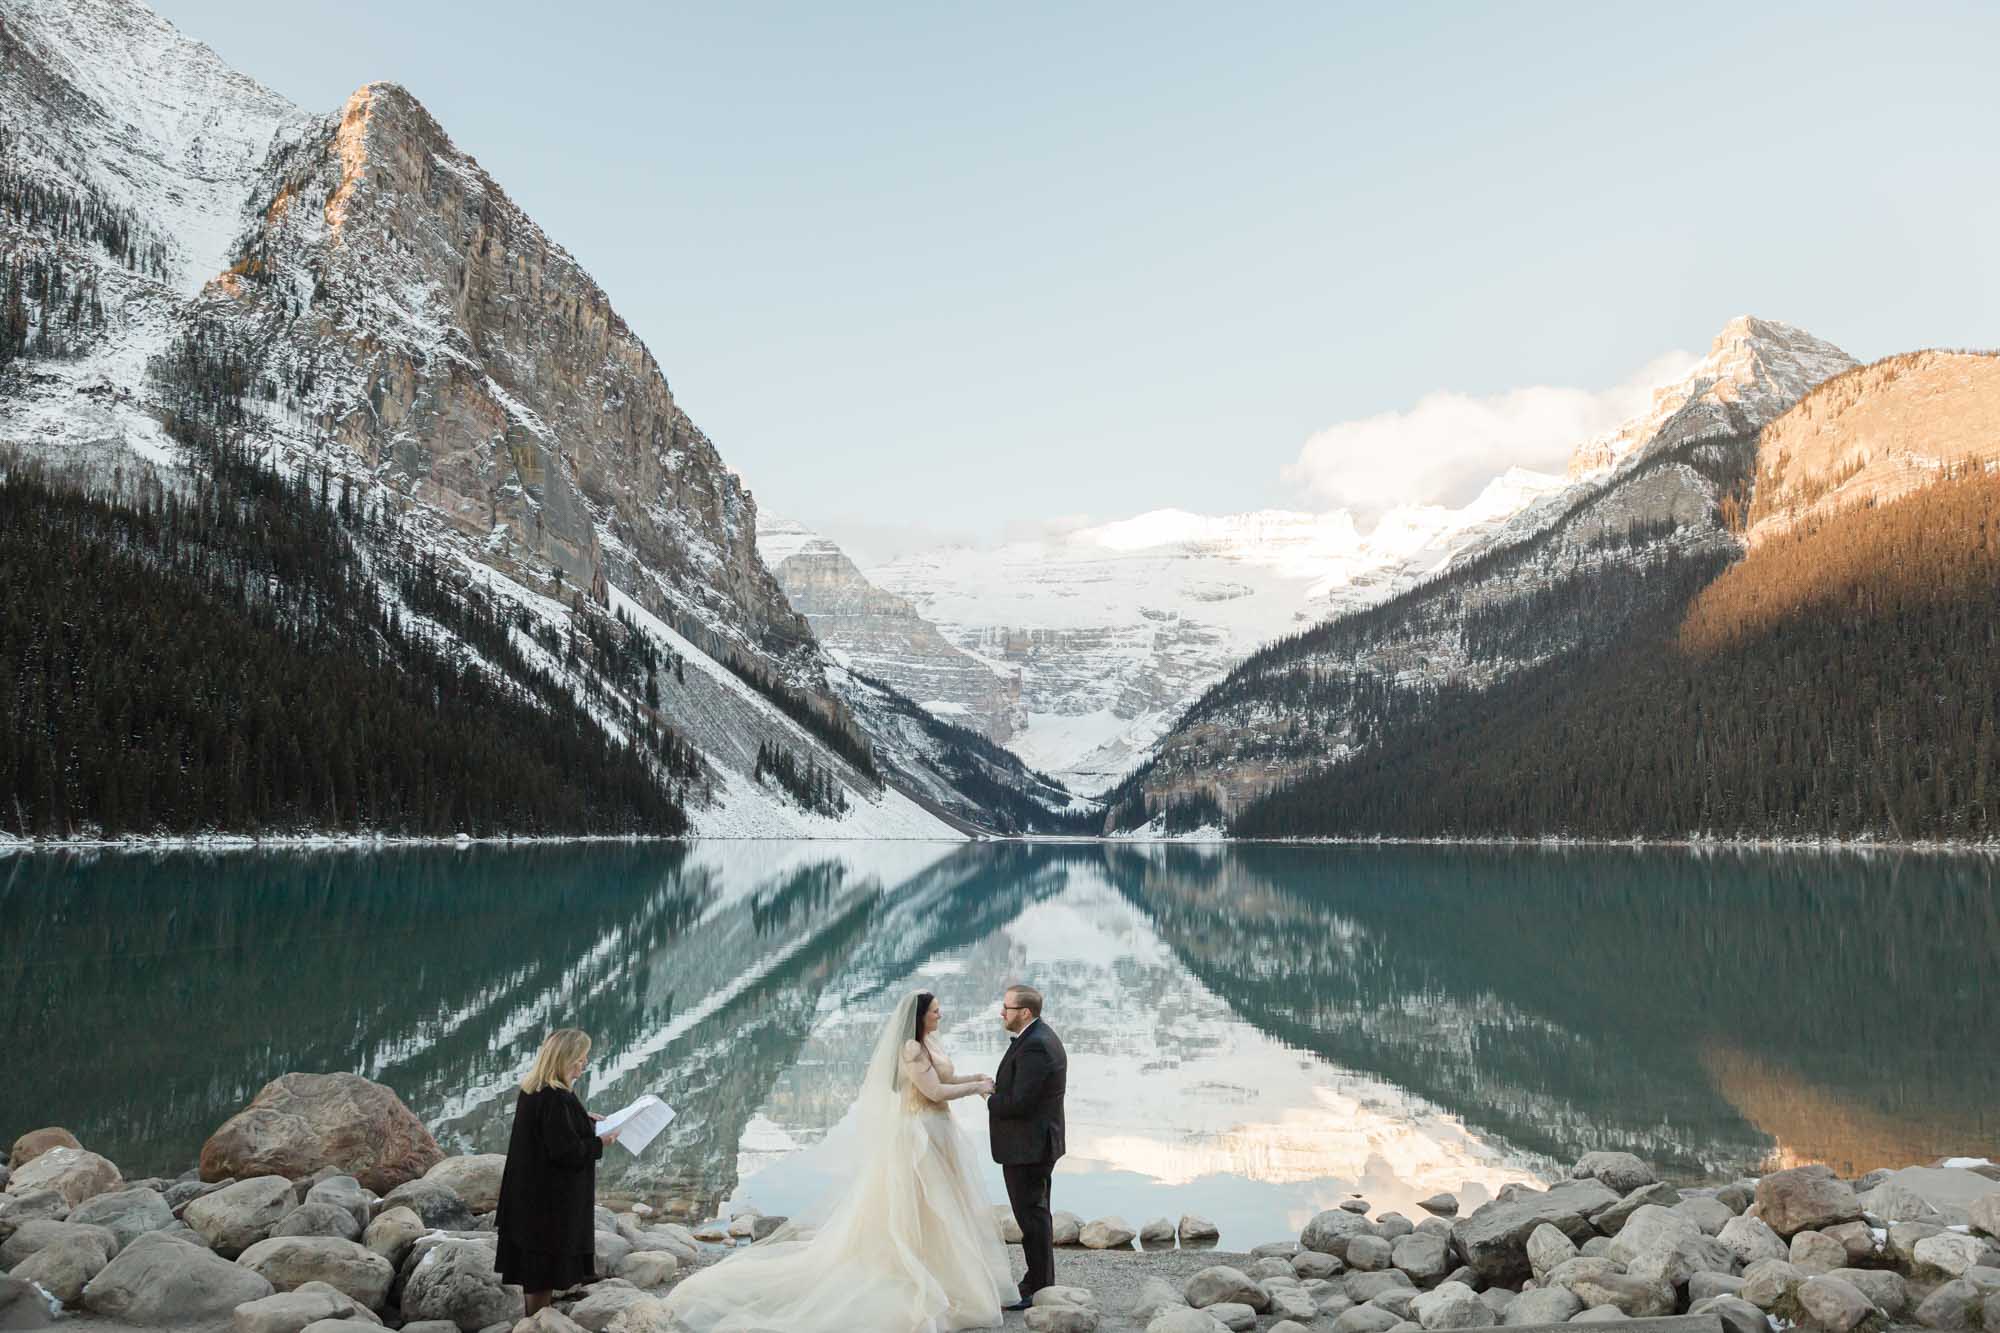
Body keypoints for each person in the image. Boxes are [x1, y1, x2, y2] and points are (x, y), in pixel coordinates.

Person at [662, 991, 1011, 1332]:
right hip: (918, 1133)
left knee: (941, 1203)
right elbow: (933, 1092)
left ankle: (940, 1266)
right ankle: (915, 1266)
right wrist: (976, 1090)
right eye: (934, 1010)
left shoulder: (930, 1043)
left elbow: (945, 1078)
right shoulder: (911, 1048)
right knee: (923, 1202)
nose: (940, 1014)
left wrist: (977, 1079)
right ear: (918, 1017)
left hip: (937, 1130)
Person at [495, 1028, 621, 1315]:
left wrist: (583, 1120)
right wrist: (601, 1141)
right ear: (562, 1060)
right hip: (549, 1204)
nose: (584, 1064)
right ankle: (537, 1323)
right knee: (543, 1270)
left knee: (535, 1270)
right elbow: (566, 1152)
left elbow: (550, 1134)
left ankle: (535, 1320)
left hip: (528, 1197)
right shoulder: (556, 1098)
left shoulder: (534, 1090)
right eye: (579, 1059)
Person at [987, 984, 1067, 1310]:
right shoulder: (1038, 1037)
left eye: (1006, 1007)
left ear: (1025, 1012)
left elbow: (1020, 1102)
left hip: (1028, 1148)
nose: (1001, 1013)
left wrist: (991, 1099)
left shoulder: (1035, 1046)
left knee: (1032, 1218)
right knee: (1035, 1216)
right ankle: (1036, 1280)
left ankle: (1040, 1287)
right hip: (1034, 1145)